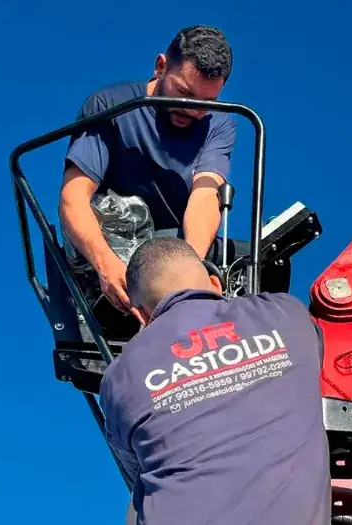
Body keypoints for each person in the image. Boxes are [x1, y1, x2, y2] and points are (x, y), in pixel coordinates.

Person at [98, 237, 331, 525]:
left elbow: (135, 469)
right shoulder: (287, 312)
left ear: (140, 315)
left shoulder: (119, 376)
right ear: (215, 283)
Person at [59, 24, 237, 315]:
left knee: (262, 261)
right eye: (184, 93)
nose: (193, 110)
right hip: (114, 243)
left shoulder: (219, 124)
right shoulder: (110, 105)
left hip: (176, 247)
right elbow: (74, 197)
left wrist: (188, 272)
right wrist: (106, 265)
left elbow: (205, 196)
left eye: (207, 102)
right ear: (160, 67)